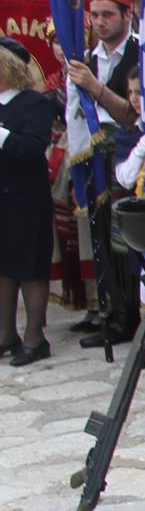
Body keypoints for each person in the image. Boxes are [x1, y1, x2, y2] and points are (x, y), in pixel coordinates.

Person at [69, 0, 141, 348]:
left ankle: (129, 316)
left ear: (127, 14)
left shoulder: (142, 54)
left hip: (128, 155)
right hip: (96, 156)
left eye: (108, 14)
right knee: (99, 234)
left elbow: (133, 113)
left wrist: (95, 88)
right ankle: (110, 311)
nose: (99, 21)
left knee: (122, 239)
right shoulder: (88, 57)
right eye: (94, 14)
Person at [0, 38, 58, 367]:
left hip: (25, 198)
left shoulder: (33, 102)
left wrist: (1, 135)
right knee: (3, 268)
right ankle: (5, 335)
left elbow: (34, 147)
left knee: (30, 267)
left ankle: (35, 338)